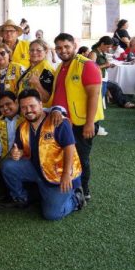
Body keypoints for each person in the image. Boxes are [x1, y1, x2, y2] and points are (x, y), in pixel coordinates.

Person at [0, 90, 87, 220]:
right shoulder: (22, 127)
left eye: (32, 106)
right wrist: (17, 153)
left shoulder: (57, 121)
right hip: (37, 168)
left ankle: (76, 198)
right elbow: (21, 149)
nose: (28, 110)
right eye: (24, 107)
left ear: (41, 105)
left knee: (52, 215)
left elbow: (70, 148)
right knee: (8, 165)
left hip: (59, 175)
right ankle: (22, 198)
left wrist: (66, 175)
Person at [50, 33, 104, 201]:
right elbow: (59, 93)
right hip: (66, 122)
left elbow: (94, 95)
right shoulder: (61, 66)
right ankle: (71, 187)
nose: (63, 50)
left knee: (81, 157)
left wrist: (89, 123)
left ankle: (84, 191)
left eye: (66, 46)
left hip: (82, 123)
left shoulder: (86, 65)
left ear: (74, 45)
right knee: (69, 155)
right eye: (59, 48)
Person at [0, 90, 22, 201]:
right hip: (6, 155)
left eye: (8, 104)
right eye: (1, 106)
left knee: (7, 164)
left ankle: (18, 196)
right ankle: (7, 193)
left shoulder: (25, 116)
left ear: (16, 102)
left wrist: (58, 109)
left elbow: (43, 110)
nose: (5, 108)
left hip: (23, 155)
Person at [16, 39, 55, 105]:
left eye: (38, 50)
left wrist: (37, 84)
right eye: (32, 50)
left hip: (37, 112)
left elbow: (47, 99)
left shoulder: (46, 70)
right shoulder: (31, 67)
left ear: (45, 51)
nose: (34, 52)